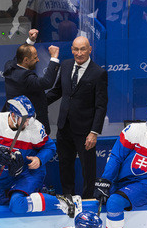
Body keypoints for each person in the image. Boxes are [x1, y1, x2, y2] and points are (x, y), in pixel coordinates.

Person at [0, 96, 80, 216]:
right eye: (24, 119)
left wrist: (39, 159)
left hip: (28, 173)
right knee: (4, 213)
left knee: (17, 205)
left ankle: (63, 201)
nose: (28, 122)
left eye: (30, 118)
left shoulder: (35, 127)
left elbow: (50, 147)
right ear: (13, 115)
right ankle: (40, 196)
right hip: (5, 175)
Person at [46, 35, 109, 199]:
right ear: (72, 49)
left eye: (82, 49)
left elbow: (101, 106)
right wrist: (38, 103)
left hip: (85, 130)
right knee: (65, 165)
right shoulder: (66, 65)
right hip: (64, 126)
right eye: (76, 49)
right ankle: (68, 197)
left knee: (88, 168)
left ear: (90, 49)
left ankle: (88, 199)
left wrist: (94, 132)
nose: (79, 53)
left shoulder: (98, 73)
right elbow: (58, 91)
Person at [3, 29, 61, 134]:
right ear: (26, 60)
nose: (38, 60)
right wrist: (54, 58)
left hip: (15, 122)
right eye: (35, 58)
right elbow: (47, 82)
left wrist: (30, 41)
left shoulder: (10, 66)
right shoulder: (25, 78)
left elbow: (19, 56)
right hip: (30, 127)